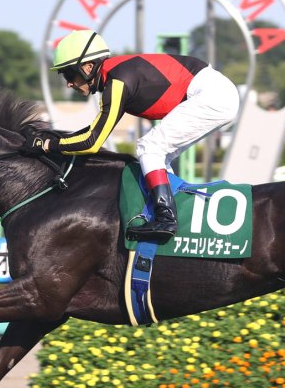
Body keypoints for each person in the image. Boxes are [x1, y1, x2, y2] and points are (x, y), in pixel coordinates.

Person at [31, 29, 240, 242]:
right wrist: (51, 142)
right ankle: (173, 215)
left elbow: (91, 143)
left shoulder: (117, 82)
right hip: (214, 92)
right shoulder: (114, 78)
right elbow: (93, 132)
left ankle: (166, 218)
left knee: (150, 148)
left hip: (212, 94)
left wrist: (47, 146)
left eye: (68, 73)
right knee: (157, 155)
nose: (68, 83)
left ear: (87, 67)